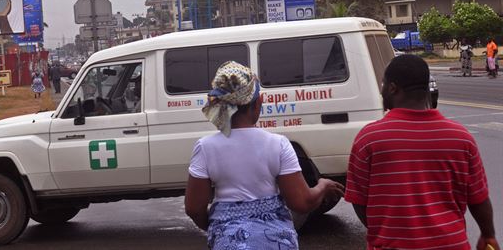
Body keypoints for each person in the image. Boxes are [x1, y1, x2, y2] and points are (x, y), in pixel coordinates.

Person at [185, 61, 344, 249]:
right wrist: (322, 186)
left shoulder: (205, 147)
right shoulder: (278, 144)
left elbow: (194, 209)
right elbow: (302, 202)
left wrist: (219, 228)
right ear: (257, 103)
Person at [345, 54, 498, 250]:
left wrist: (385, 231)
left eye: (383, 85)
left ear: (392, 88)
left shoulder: (368, 139)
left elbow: (359, 201)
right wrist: (488, 235)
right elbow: (478, 198)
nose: (381, 91)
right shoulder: (461, 138)